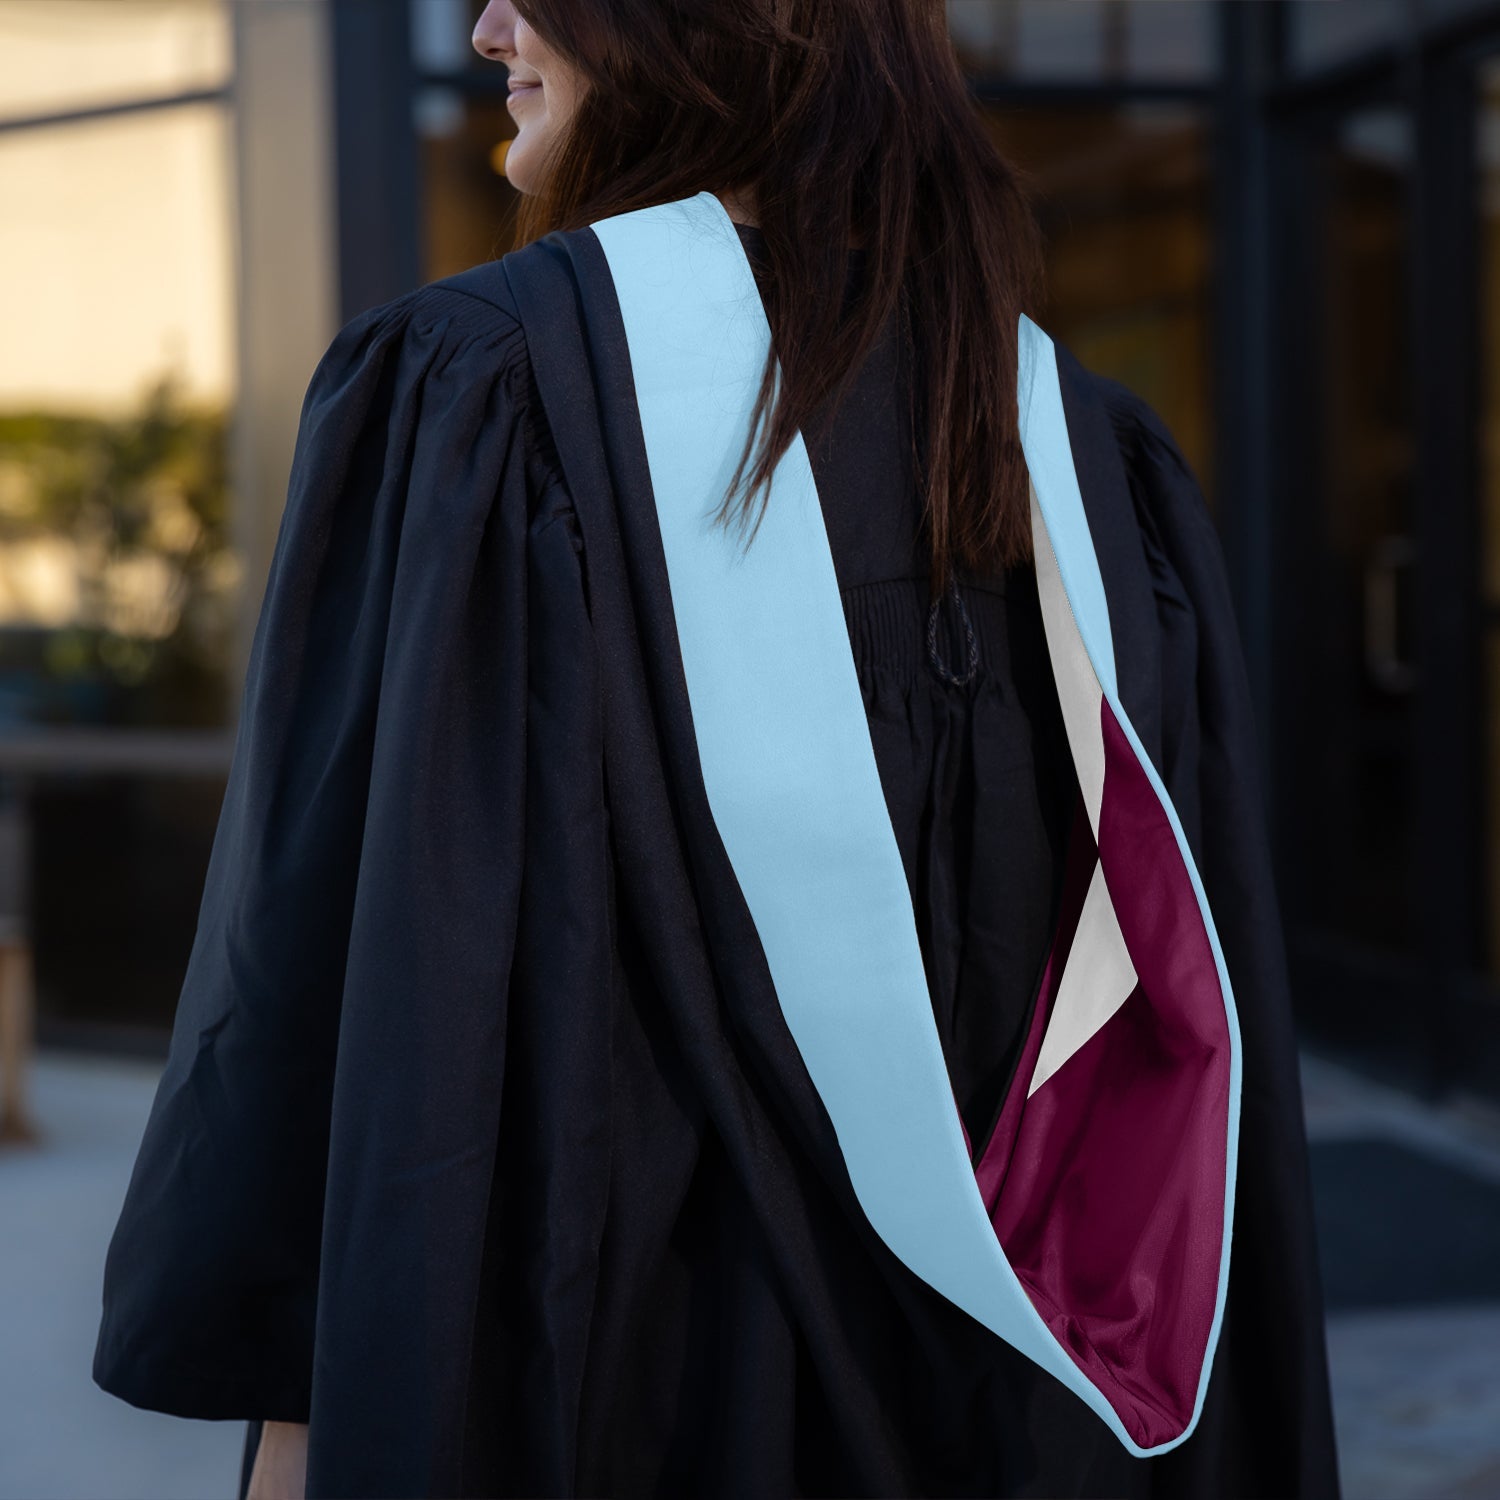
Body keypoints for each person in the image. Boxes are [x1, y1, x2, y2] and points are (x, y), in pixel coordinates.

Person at [92, 3, 1342, 1497]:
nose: (490, 24)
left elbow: (331, 1019)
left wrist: (295, 1443)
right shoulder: (1084, 461)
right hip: (1027, 1428)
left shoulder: (484, 397)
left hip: (621, 1399)